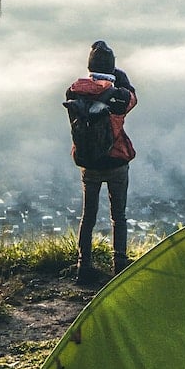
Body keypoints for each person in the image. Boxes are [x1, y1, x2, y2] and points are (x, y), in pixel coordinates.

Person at [65, 40, 137, 284]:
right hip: (116, 163)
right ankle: (120, 263)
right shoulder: (119, 96)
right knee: (119, 215)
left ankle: (83, 265)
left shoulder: (73, 92)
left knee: (88, 216)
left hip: (88, 164)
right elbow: (132, 99)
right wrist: (121, 79)